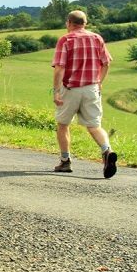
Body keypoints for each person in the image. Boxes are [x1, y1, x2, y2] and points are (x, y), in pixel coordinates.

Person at [51, 10, 117, 178]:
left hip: (71, 89)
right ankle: (107, 151)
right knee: (94, 126)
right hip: (92, 88)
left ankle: (65, 161)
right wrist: (99, 81)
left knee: (63, 124)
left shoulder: (65, 40)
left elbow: (60, 68)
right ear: (85, 23)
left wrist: (56, 91)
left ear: (68, 23)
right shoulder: (97, 38)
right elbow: (106, 63)